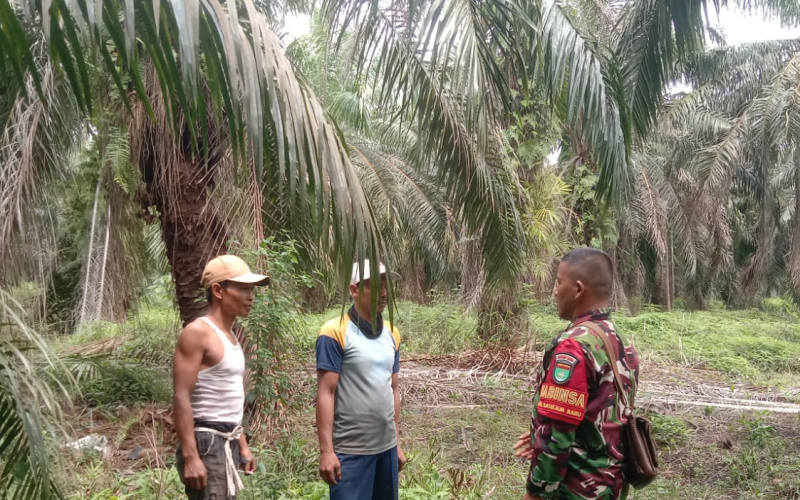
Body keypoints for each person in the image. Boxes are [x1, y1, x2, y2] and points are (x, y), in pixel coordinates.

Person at [514, 248, 640, 500]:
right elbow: (603, 415)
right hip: (610, 485)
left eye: (559, 282)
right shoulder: (619, 339)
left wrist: (535, 493)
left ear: (578, 289)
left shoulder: (573, 346)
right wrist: (539, 432)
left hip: (577, 489)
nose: (554, 290)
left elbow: (557, 436)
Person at [173, 254, 270, 500]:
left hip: (226, 441)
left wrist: (243, 446)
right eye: (244, 289)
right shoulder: (197, 333)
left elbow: (229, 398)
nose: (251, 297)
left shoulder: (232, 337)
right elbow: (181, 396)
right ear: (218, 290)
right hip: (206, 442)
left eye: (252, 290)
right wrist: (191, 456)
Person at [315, 260, 406, 500]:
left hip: (385, 450)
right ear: (354, 290)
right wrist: (326, 451)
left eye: (387, 287)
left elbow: (393, 390)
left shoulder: (392, 333)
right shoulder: (334, 332)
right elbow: (326, 393)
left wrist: (395, 443)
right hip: (351, 451)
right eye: (376, 286)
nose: (384, 293)